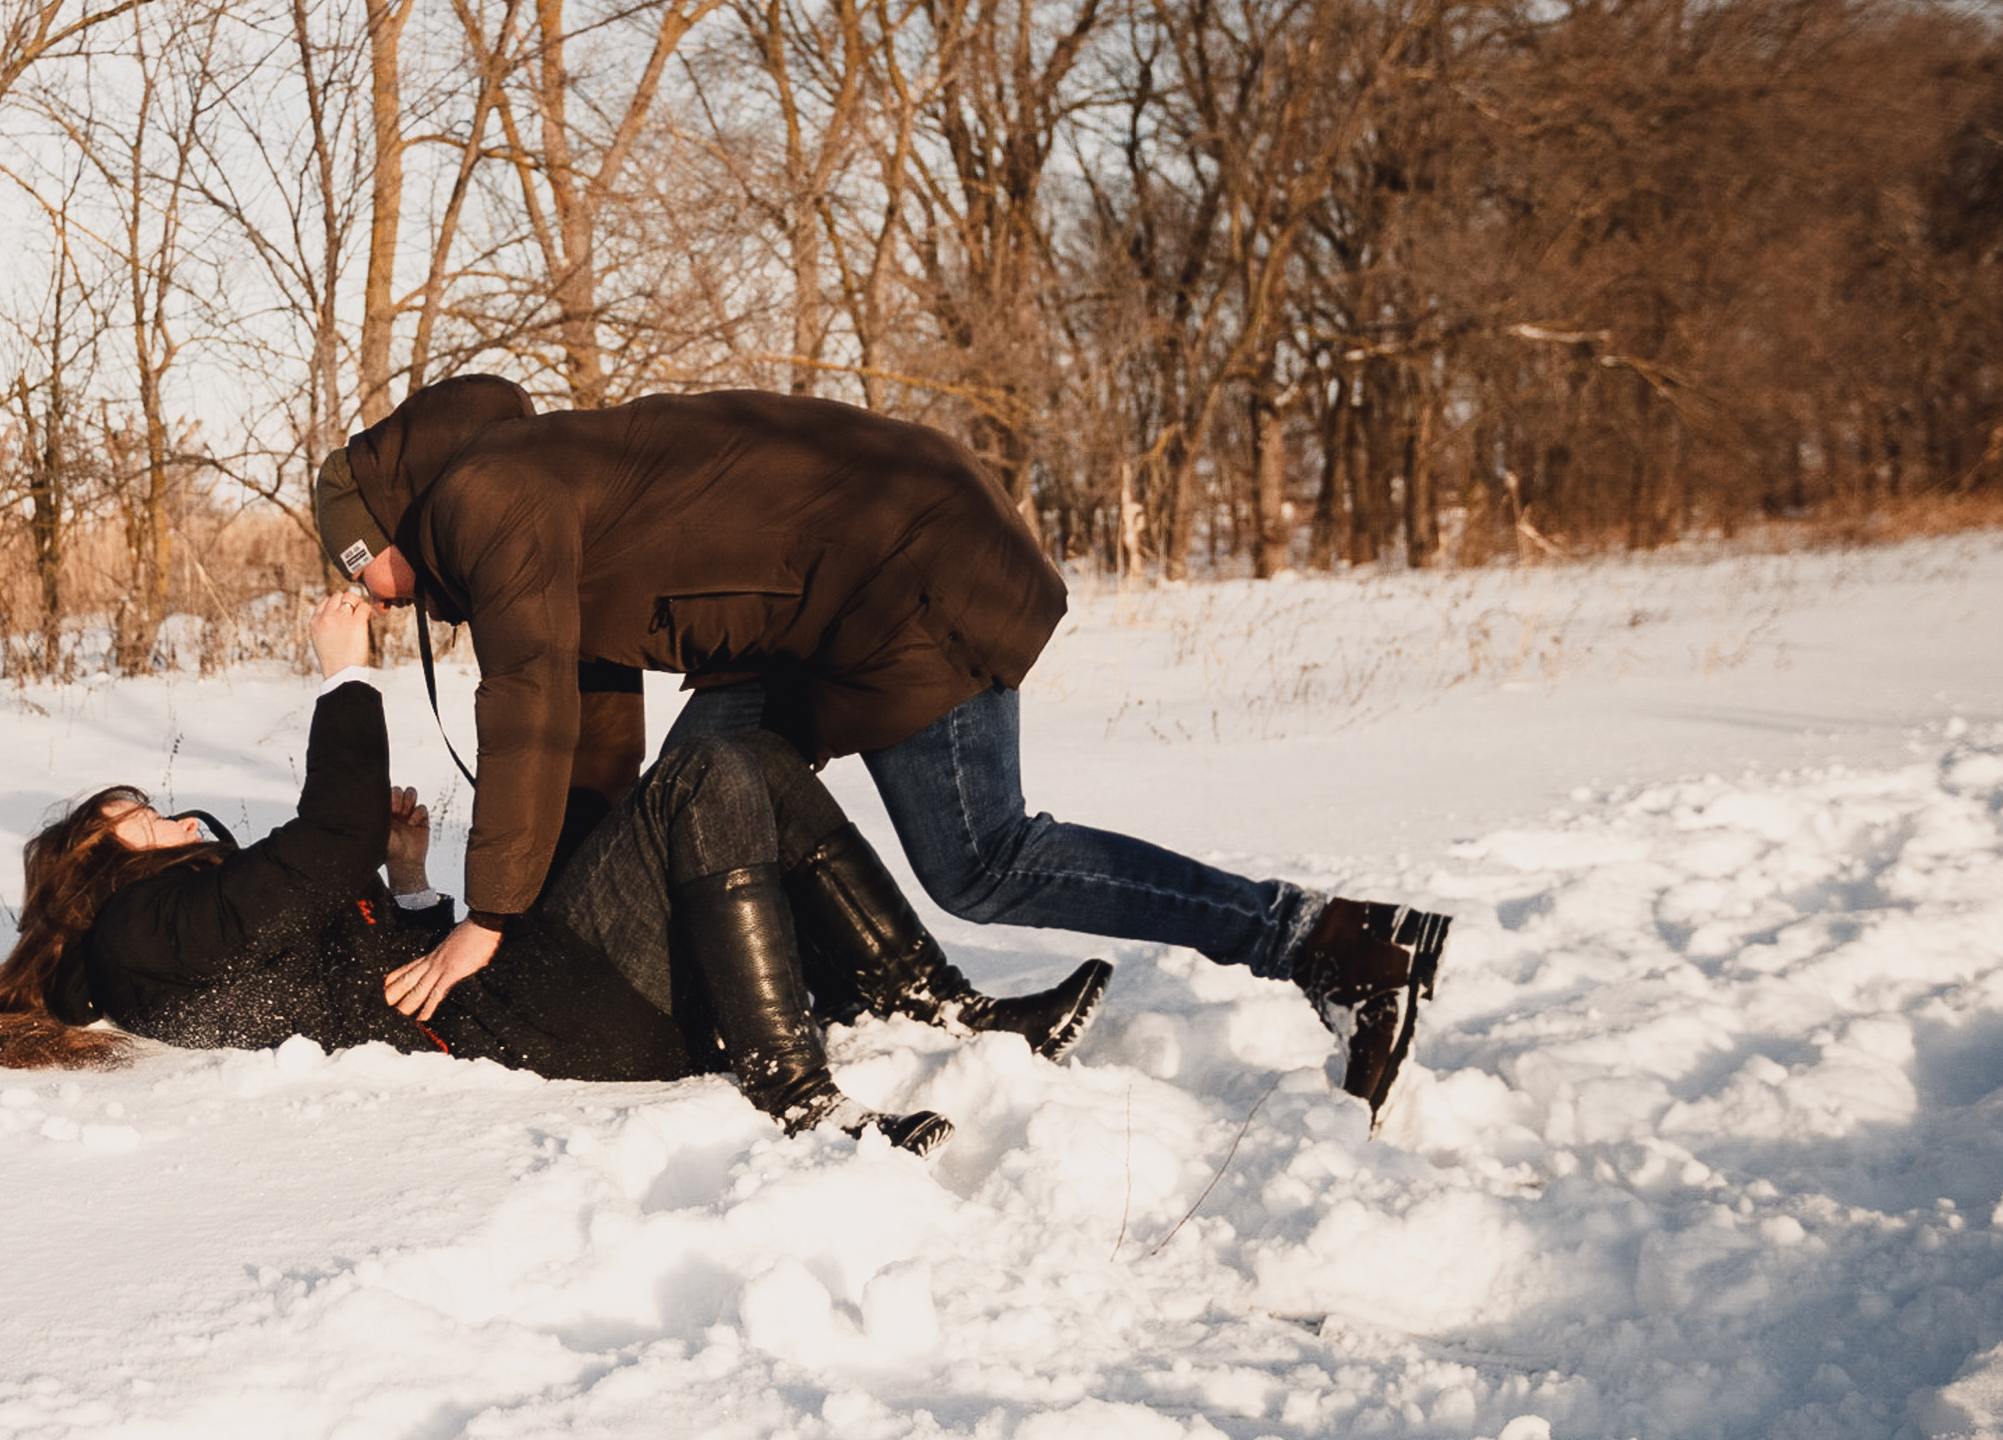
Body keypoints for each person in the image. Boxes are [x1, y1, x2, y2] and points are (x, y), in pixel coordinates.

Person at [314, 376, 1451, 1119]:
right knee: (711, 784)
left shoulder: (486, 497)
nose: (356, 589)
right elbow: (588, 714)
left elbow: (522, 703)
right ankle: (922, 1009)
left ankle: (1323, 939)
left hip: (908, 575)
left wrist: (490, 916)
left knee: (986, 861)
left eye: (351, 563)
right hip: (843, 587)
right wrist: (573, 899)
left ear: (382, 526)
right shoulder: (535, 480)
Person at [0, 593, 1103, 1151]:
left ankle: (939, 999)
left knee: (742, 757)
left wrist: (405, 886)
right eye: (127, 817)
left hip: (533, 1005)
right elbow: (318, 847)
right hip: (549, 1018)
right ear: (91, 874)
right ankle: (797, 1090)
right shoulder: (138, 939)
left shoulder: (173, 931)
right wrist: (345, 678)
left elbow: (352, 967)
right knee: (700, 783)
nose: (156, 812)